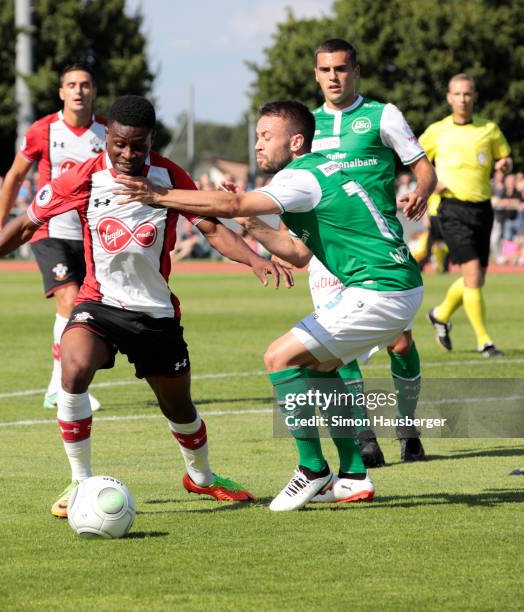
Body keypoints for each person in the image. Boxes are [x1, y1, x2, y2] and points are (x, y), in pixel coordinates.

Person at [0, 95, 289, 517]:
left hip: (155, 314)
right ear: (107, 136)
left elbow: (211, 229)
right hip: (99, 304)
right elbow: (25, 225)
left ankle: (201, 477)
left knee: (179, 408)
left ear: (151, 141)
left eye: (138, 146)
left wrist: (254, 258)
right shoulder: (83, 177)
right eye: (120, 144)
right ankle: (79, 480)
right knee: (73, 367)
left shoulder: (169, 176)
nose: (128, 154)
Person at [113, 100, 425, 511]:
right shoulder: (317, 171)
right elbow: (296, 253)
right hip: (393, 287)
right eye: (257, 136)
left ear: (296, 142)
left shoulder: (300, 176)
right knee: (321, 367)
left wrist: (161, 195)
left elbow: (232, 205)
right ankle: (352, 477)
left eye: (266, 137)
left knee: (279, 358)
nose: (257, 145)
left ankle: (312, 469)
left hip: (380, 289)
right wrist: (251, 224)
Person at [278, 38, 437, 465]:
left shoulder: (382, 116)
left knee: (401, 343)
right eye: (326, 70)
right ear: (316, 74)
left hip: (379, 249)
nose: (334, 77)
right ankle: (363, 433)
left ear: (356, 71)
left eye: (342, 69)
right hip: (328, 254)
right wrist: (282, 240)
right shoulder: (305, 127)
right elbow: (293, 190)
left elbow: (423, 168)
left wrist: (421, 191)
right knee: (335, 345)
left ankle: (407, 426)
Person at [0, 63, 108, 411]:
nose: (78, 91)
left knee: (86, 311)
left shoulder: (106, 132)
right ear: (61, 92)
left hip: (90, 234)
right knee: (70, 301)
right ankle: (62, 386)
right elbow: (14, 176)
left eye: (85, 85)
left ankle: (56, 383)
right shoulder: (43, 130)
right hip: (50, 230)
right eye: (71, 85)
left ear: (93, 91)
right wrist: (0, 226)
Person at [421, 74, 512, 357]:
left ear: (475, 96)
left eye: (467, 94)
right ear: (449, 97)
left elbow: (503, 157)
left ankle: (440, 314)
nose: (462, 99)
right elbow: (416, 161)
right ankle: (484, 341)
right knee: (472, 274)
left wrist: (504, 166)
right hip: (450, 208)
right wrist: (432, 182)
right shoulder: (436, 131)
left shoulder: (490, 129)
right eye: (457, 94)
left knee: (477, 278)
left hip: (482, 208)